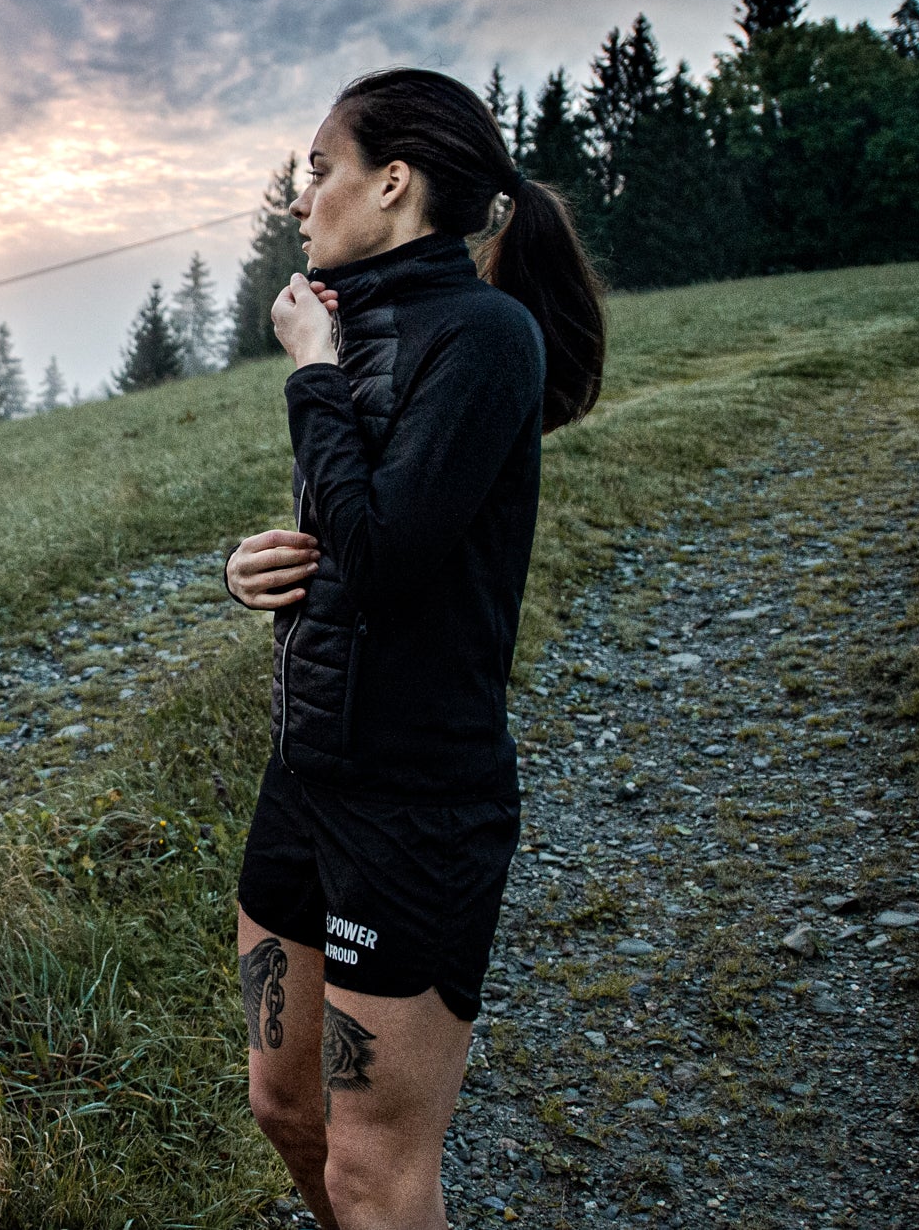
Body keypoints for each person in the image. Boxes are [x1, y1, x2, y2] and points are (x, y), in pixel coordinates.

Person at [223, 68, 605, 1230]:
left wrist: (307, 373)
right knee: (284, 1110)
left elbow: (386, 552)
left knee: (372, 1170)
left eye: (319, 169)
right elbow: (349, 540)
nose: (301, 199)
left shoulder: (486, 340)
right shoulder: (357, 333)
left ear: (394, 184)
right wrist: (254, 569)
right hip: (304, 784)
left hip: (416, 810)